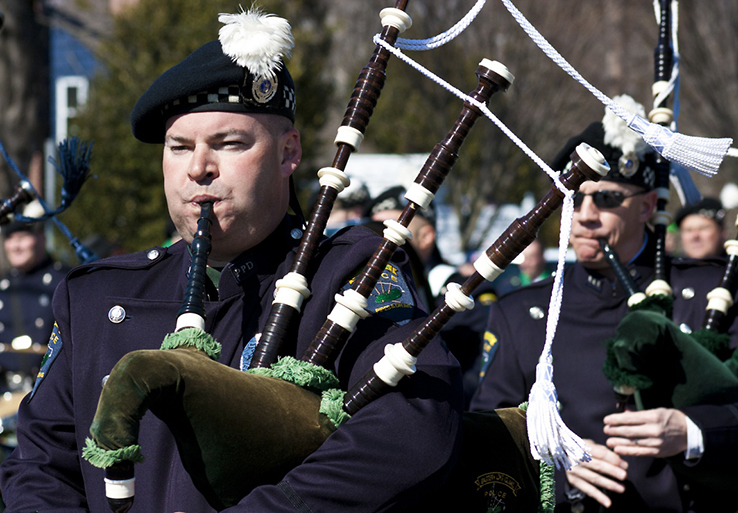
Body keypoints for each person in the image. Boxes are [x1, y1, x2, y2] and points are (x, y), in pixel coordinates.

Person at [0, 9, 462, 512]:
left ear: (288, 153)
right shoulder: (96, 296)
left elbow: (413, 427)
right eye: (179, 147)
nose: (199, 168)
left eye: (229, 143)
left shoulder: (348, 273)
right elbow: (41, 466)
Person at [471, 95, 738, 512]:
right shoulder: (521, 312)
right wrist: (556, 469)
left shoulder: (709, 293)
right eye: (575, 198)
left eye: (607, 198)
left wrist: (693, 430)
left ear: (647, 205)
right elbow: (485, 436)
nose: (586, 215)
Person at [364, 186, 497, 407]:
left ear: (426, 236)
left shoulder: (462, 294)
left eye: (391, 229)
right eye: (375, 230)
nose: (381, 240)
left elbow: (480, 376)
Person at [0, 203, 68, 394]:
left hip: (50, 392)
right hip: (6, 397)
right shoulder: (3, 288)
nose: (16, 246)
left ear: (41, 237)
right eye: (10, 239)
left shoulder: (64, 282)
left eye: (22, 237)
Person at [676, 196, 738, 311]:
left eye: (703, 228)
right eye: (688, 230)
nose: (695, 236)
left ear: (722, 231)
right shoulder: (670, 273)